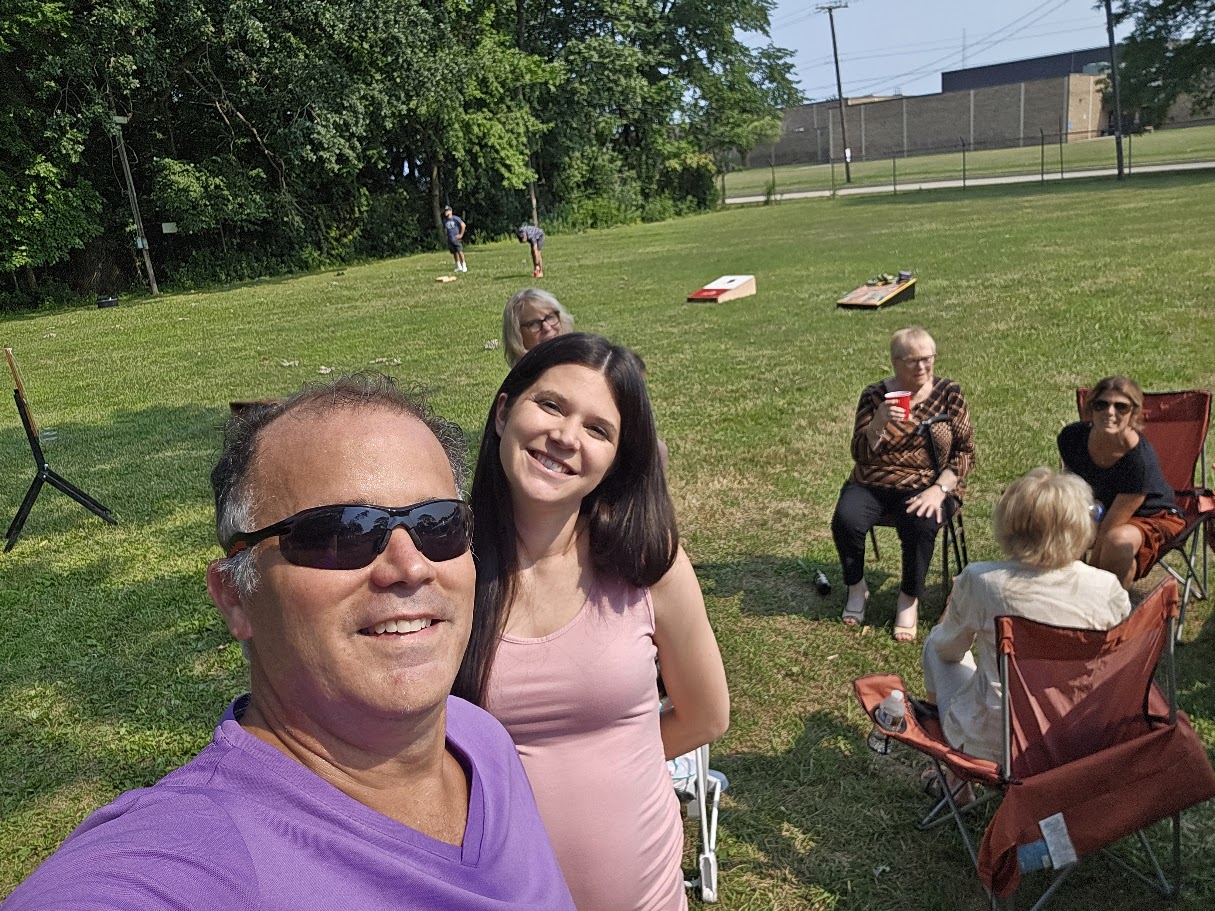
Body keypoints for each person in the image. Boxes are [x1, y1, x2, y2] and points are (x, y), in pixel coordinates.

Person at [5, 375, 574, 911]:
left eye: (438, 524)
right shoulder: (194, 860)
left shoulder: (480, 741)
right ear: (234, 596)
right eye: (339, 533)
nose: (409, 567)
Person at [453, 333, 730, 911]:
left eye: (598, 429)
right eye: (550, 405)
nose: (566, 437)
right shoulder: (443, 565)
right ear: (504, 413)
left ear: (615, 461)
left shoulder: (649, 564)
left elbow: (706, 715)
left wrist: (617, 759)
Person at [921, 467, 1132, 766]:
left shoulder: (982, 581)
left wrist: (950, 614)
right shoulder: (1106, 587)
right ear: (1079, 527)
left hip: (995, 742)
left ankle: (951, 771)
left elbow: (948, 650)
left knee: (933, 645)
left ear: (1010, 525)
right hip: (1077, 738)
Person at [831, 326, 975, 642]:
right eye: (912, 361)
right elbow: (859, 453)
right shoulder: (874, 395)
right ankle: (857, 587)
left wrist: (939, 490)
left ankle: (908, 598)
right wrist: (878, 422)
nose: (921, 367)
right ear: (895, 362)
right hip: (874, 480)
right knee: (847, 519)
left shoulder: (949, 393)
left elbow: (965, 453)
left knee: (921, 523)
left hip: (930, 483)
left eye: (927, 359)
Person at [1057, 375, 1184, 590]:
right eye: (1101, 404)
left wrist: (1085, 586)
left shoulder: (1138, 460)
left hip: (1151, 515)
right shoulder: (1072, 437)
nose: (1110, 412)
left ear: (1134, 413)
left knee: (1116, 542)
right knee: (1061, 519)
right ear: (1090, 409)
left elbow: (1109, 529)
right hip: (1102, 506)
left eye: (1121, 407)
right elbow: (1072, 493)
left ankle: (1106, 610)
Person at [502, 287, 574, 368]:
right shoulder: (528, 379)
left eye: (550, 317)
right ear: (517, 334)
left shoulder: (580, 361)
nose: (547, 328)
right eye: (534, 324)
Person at [442, 205, 467, 273]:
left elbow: (463, 225)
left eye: (447, 211)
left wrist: (461, 235)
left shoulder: (455, 218)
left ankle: (464, 265)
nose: (445, 213)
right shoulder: (445, 221)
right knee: (454, 252)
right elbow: (445, 229)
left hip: (456, 238)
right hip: (450, 238)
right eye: (445, 211)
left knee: (460, 251)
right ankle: (458, 265)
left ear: (450, 211)